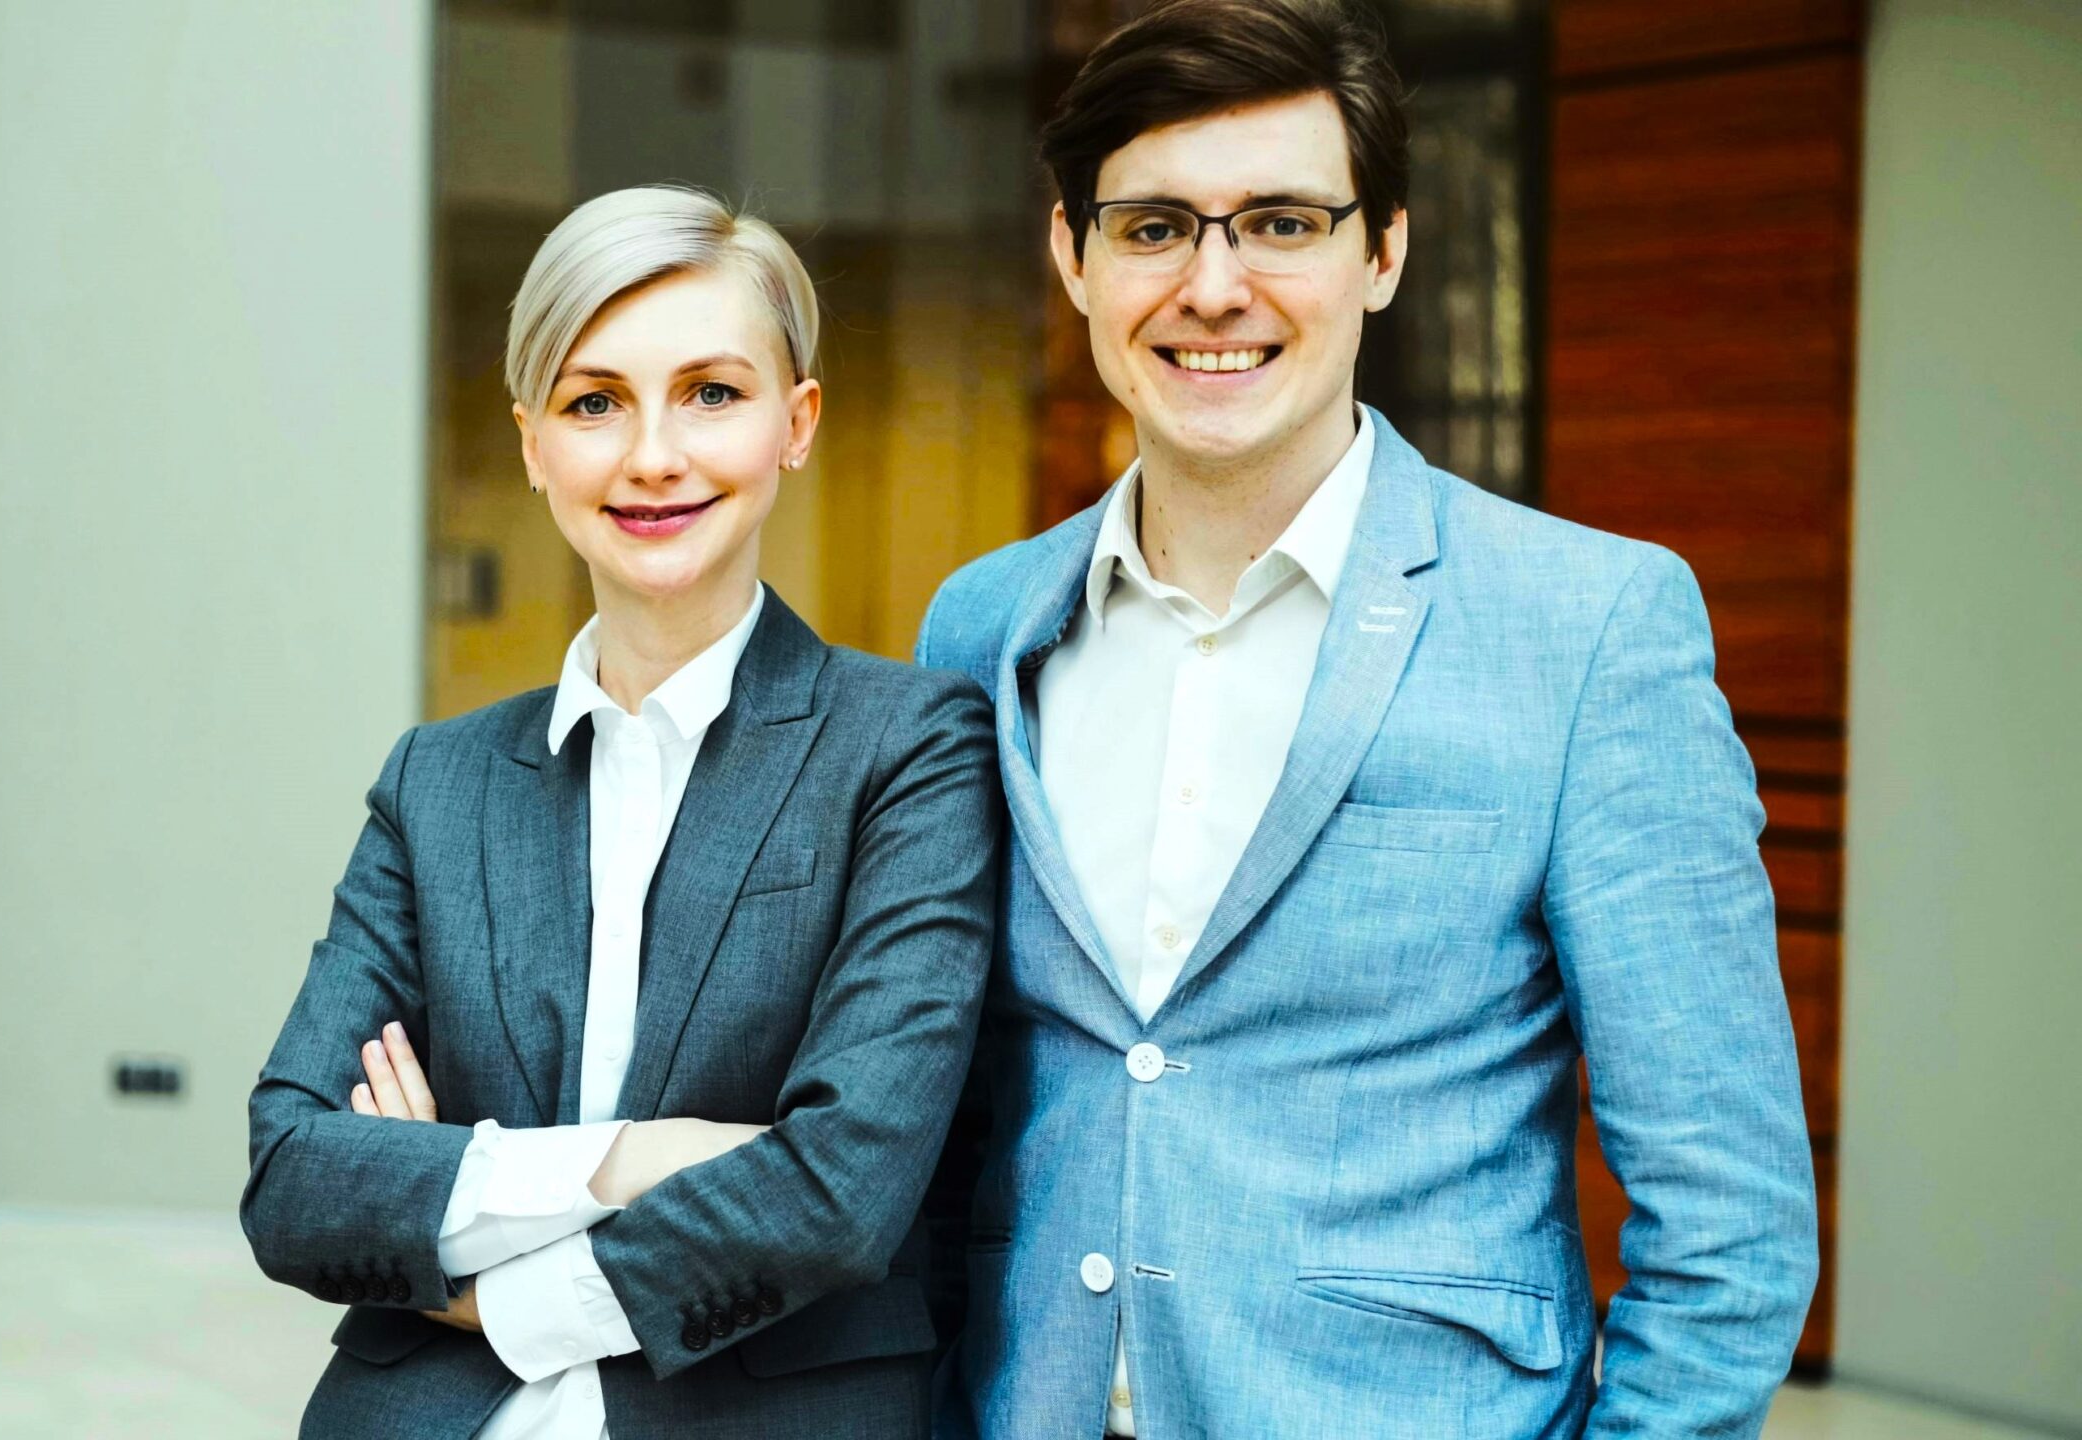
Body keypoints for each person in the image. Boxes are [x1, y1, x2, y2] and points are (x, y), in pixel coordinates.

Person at [917, 1, 1817, 1435]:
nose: (1214, 287)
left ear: (1383, 252)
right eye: (1154, 228)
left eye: (1282, 223)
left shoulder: (1589, 628)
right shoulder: (981, 626)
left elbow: (1730, 1222)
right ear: (1073, 257)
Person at [241, 185, 1000, 1438]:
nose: (653, 454)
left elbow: (839, 1189)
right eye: (594, 402)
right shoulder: (438, 781)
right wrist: (629, 1160)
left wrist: (479, 1261)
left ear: (796, 422)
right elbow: (292, 1176)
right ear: (534, 444)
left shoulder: (907, 748)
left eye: (711, 392)